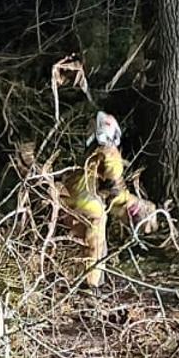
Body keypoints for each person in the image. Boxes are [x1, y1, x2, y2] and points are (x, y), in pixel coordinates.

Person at [65, 112, 155, 288]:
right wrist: (135, 205)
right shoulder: (110, 153)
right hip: (87, 203)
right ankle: (90, 287)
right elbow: (114, 191)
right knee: (96, 245)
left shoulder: (89, 152)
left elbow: (107, 192)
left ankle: (79, 281)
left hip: (67, 199)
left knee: (85, 245)